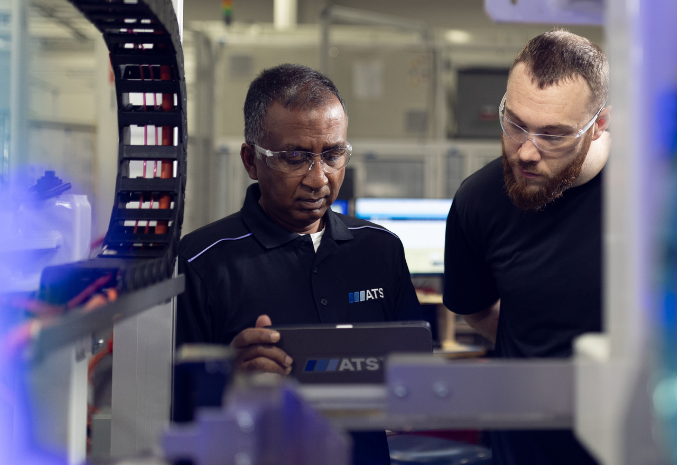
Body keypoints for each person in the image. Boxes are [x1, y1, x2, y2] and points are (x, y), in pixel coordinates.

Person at [176, 64, 422, 465]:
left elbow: (414, 376)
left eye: (333, 154)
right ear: (251, 161)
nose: (319, 179)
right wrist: (227, 382)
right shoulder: (202, 262)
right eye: (295, 157)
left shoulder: (379, 251)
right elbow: (172, 412)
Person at [443, 30, 611, 465]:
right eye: (515, 123)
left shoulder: (656, 196)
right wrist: (536, 349)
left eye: (553, 135)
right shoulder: (479, 200)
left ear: (599, 127)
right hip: (524, 446)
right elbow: (476, 309)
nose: (526, 152)